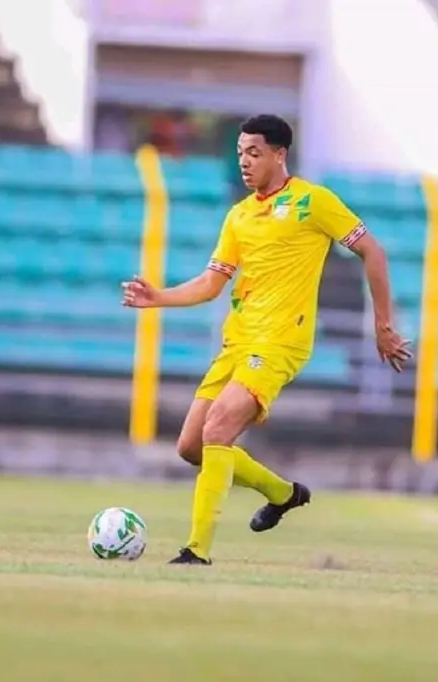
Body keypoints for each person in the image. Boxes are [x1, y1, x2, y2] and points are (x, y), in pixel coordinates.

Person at [122, 114, 411, 565]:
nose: (244, 162)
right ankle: (283, 493)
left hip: (279, 342)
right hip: (237, 343)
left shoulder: (313, 202)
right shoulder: (239, 216)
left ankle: (196, 551)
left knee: (218, 427)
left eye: (254, 153)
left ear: (280, 154)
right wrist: (157, 297)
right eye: (240, 153)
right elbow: (211, 283)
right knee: (191, 447)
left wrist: (382, 324)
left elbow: (372, 249)